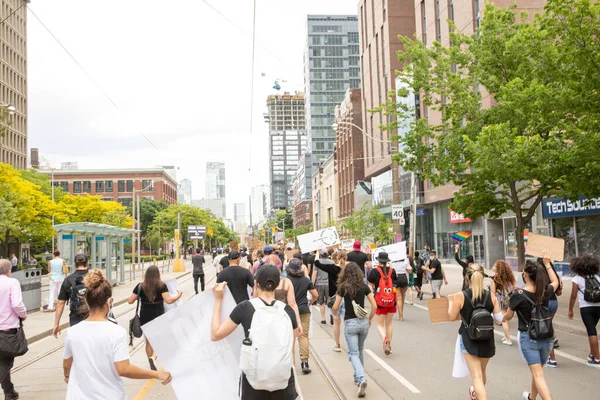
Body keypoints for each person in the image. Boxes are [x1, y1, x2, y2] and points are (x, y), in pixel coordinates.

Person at [65, 269, 171, 399]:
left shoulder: (72, 332)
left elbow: (67, 362)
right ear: (109, 301)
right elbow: (123, 369)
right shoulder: (116, 332)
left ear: (86, 301)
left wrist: (67, 376)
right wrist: (157, 374)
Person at [211, 265, 298, 400]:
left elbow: (216, 334)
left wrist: (218, 300)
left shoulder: (245, 308)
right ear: (277, 285)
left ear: (255, 283)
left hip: (253, 382)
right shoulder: (288, 311)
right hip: (283, 381)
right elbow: (291, 348)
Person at [503, 252, 559, 400]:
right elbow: (556, 281)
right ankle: (532, 398)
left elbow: (508, 316)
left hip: (529, 338)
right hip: (547, 337)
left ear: (526, 275)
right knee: (538, 371)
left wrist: (502, 318)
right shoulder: (545, 291)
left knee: (538, 373)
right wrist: (547, 264)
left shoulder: (518, 295)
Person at [448, 264, 502, 400]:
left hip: (468, 339)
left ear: (467, 277)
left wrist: (450, 301)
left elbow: (451, 317)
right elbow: (499, 320)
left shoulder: (461, 296)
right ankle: (476, 395)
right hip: (487, 339)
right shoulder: (491, 296)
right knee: (482, 372)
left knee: (476, 376)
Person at [333, 262, 377, 398]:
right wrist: (369, 319)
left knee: (353, 353)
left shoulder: (343, 288)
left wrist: (337, 314)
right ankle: (358, 378)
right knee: (360, 350)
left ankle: (361, 378)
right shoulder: (364, 286)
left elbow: (335, 306)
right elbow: (374, 306)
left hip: (350, 324)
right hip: (363, 323)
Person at [127, 266, 182, 370]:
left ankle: (150, 359)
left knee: (148, 341)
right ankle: (154, 357)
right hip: (158, 315)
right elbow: (169, 300)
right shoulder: (162, 286)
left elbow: (130, 301)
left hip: (145, 315)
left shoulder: (140, 286)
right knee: (160, 339)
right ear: (158, 274)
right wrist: (178, 295)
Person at [0, 259, 27, 400]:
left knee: (2, 360)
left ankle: (9, 392)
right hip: (7, 330)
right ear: (9, 270)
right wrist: (23, 314)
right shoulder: (12, 282)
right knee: (5, 360)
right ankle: (9, 392)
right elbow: (17, 304)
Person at [567, 255, 600, 367]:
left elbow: (573, 296)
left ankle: (597, 358)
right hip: (598, 306)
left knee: (591, 331)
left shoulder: (577, 279)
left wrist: (570, 309)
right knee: (593, 330)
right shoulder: (597, 277)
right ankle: (592, 354)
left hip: (586, 308)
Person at [287, 258, 318, 375]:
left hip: (289, 311)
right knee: (303, 336)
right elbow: (316, 295)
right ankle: (304, 362)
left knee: (289, 337)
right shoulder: (306, 280)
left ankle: (289, 363)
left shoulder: (286, 280)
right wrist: (311, 301)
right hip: (304, 310)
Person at [368, 252, 397, 355]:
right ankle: (389, 345)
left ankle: (384, 339)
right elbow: (395, 281)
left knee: (380, 324)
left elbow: (369, 281)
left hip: (380, 301)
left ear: (379, 261)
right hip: (391, 301)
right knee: (389, 323)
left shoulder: (374, 271)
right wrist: (391, 268)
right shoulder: (392, 271)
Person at [54, 254, 91, 336]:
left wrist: (56, 323)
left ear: (75, 264)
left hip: (76, 317)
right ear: (87, 263)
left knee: (77, 343)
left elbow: (60, 303)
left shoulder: (68, 280)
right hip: (94, 317)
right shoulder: (93, 278)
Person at [490, 260, 516, 346]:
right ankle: (506, 336)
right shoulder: (509, 277)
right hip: (509, 299)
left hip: (500, 299)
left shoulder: (494, 278)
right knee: (507, 318)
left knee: (503, 319)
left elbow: (493, 292)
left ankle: (508, 339)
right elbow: (513, 288)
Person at [312, 249, 331, 325]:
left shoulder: (317, 263)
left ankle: (323, 319)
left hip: (319, 284)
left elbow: (314, 274)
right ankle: (332, 314)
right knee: (330, 301)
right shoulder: (331, 262)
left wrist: (311, 284)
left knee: (321, 302)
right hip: (329, 284)